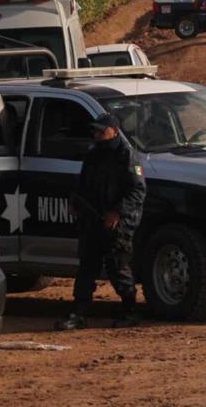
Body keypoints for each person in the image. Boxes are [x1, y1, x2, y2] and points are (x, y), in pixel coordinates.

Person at [56, 114, 146, 330]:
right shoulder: (94, 154)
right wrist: (76, 202)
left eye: (101, 131)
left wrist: (117, 212)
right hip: (92, 220)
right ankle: (78, 314)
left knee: (118, 268)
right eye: (95, 131)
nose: (97, 135)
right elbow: (83, 183)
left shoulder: (126, 156)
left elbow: (138, 190)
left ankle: (130, 311)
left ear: (114, 131)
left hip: (117, 224)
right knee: (87, 267)